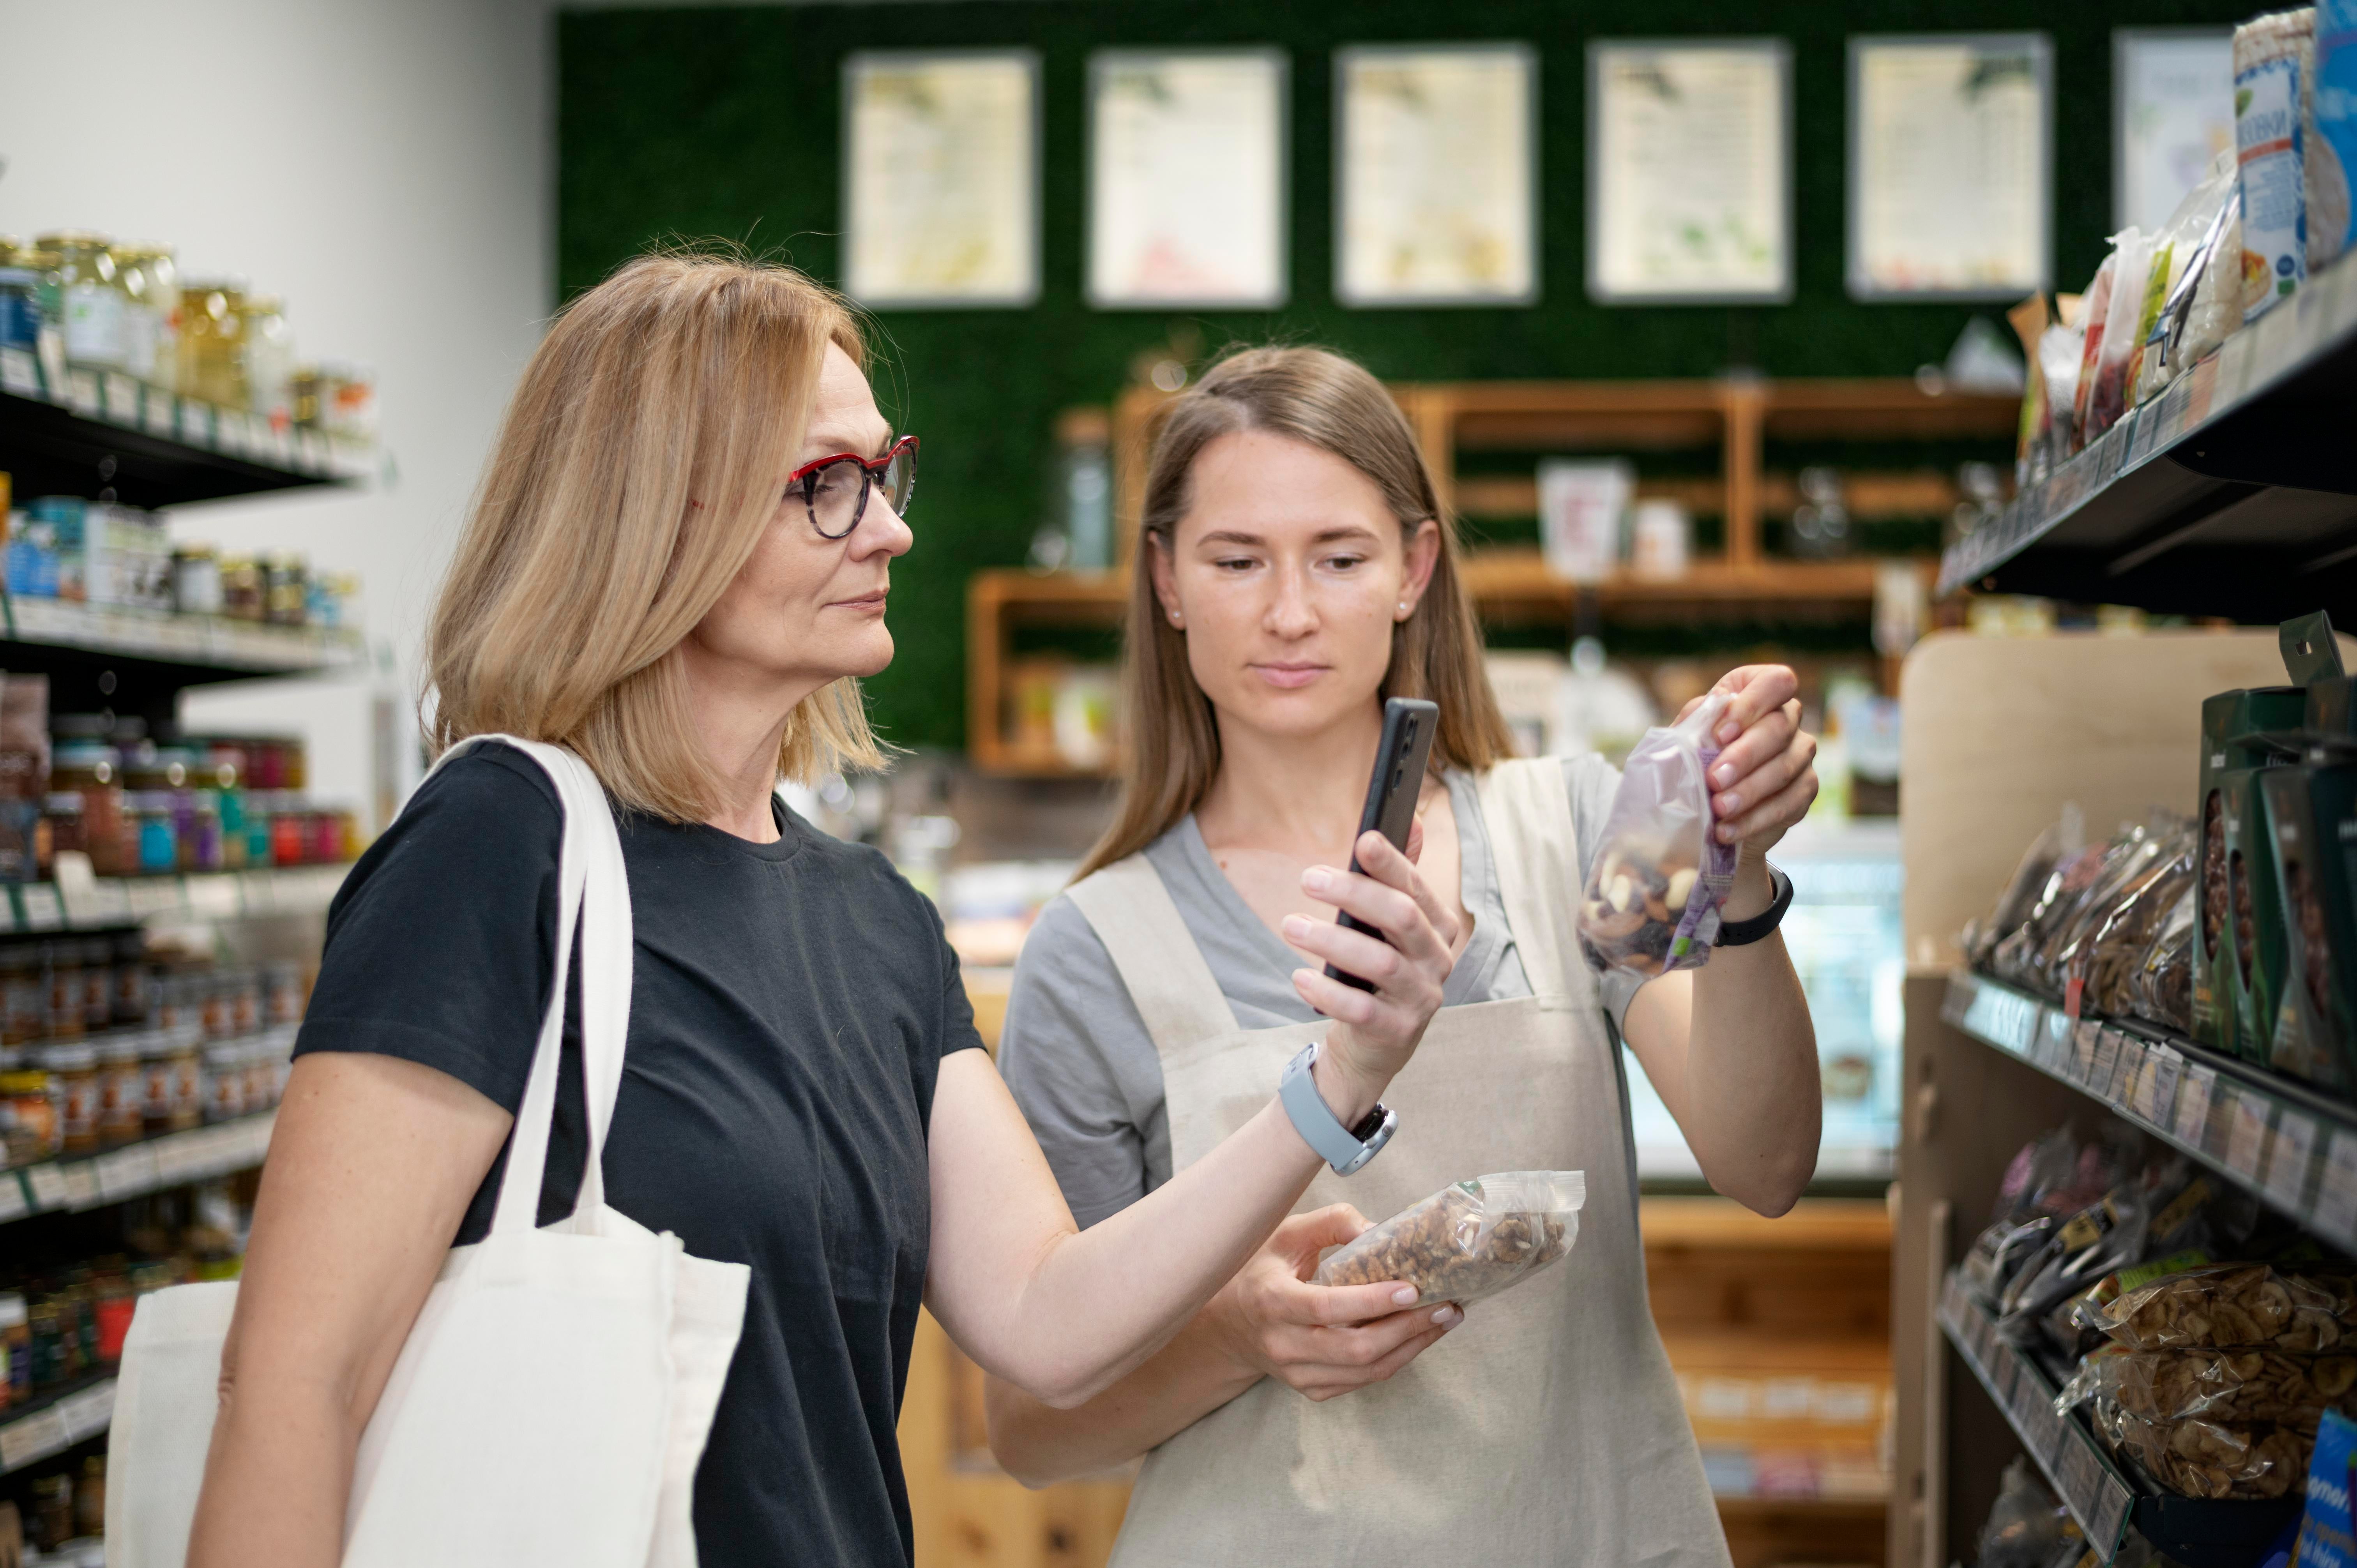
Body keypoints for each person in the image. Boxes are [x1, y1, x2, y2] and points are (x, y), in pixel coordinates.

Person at [184, 259, 1466, 1568]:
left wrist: (1342, 1077)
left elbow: (1045, 1317)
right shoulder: (500, 849)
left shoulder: (877, 924)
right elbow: (295, 1385)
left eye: (882, 470)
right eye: (823, 488)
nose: (892, 530)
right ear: (654, 520)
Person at [988, 346, 1824, 1566]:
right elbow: (1031, 1428)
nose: (1289, 612)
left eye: (1339, 557)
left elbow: (1766, 1163)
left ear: (1413, 569)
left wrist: (1739, 870)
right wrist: (1237, 1339)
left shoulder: (1574, 831)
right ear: (1166, 579)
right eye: (1236, 561)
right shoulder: (1095, 952)